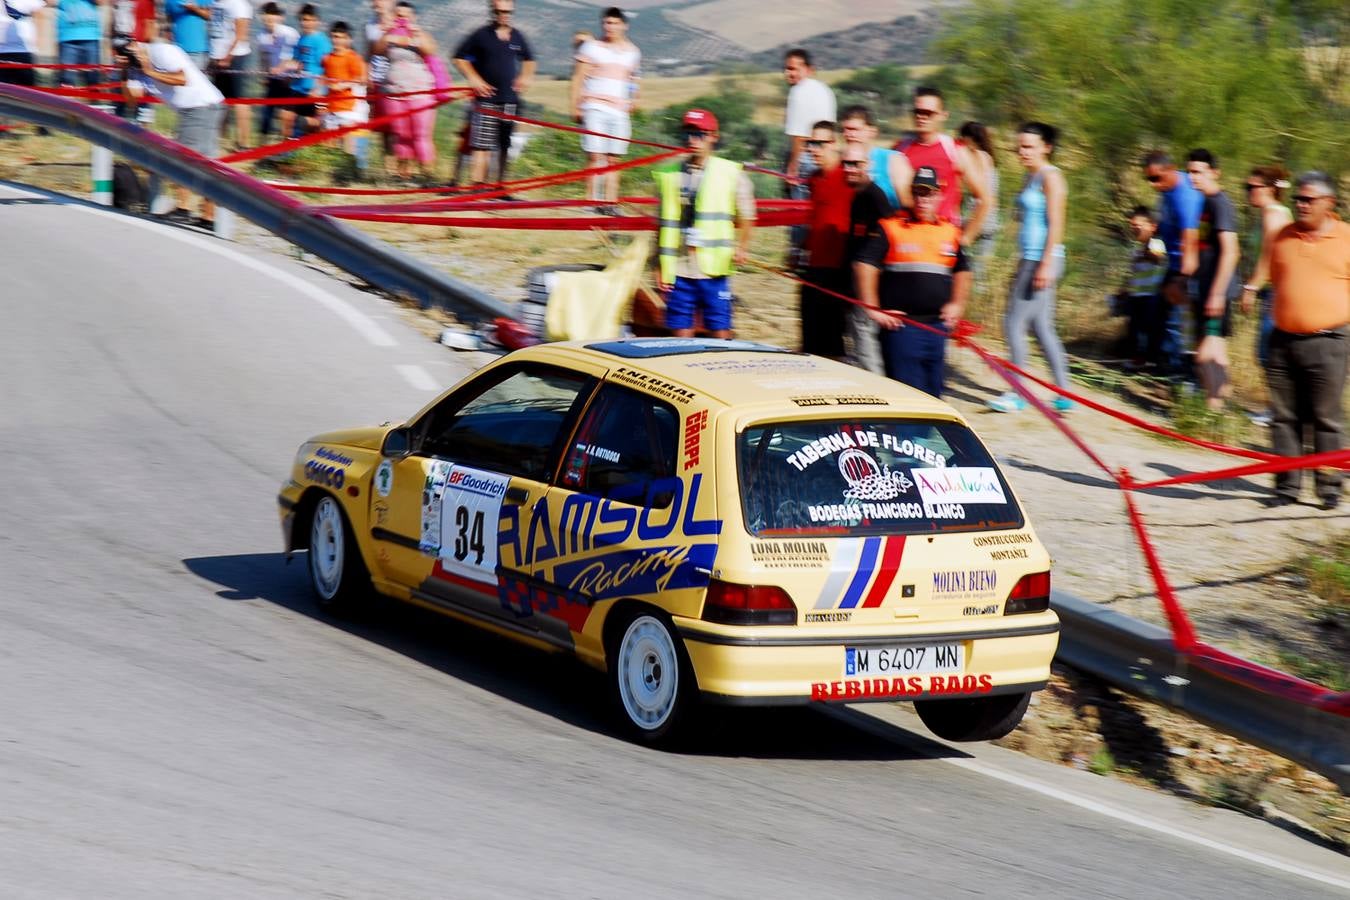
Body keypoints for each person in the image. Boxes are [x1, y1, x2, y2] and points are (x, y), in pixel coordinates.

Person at [1261, 172, 1349, 509]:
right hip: (1283, 341)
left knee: (1326, 417)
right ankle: (1286, 485)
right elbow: (1279, 280)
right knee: (1284, 417)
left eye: (1309, 199)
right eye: (1298, 198)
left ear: (1329, 203)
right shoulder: (1283, 236)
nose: (1300, 204)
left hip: (1328, 342)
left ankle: (1329, 486)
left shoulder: (1346, 237)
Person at [853, 165, 970, 398]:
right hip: (902, 328)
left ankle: (926, 435)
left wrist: (957, 303)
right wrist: (872, 308)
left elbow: (963, 270)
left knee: (934, 393)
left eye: (928, 193)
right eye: (917, 192)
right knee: (907, 394)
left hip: (937, 328)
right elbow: (864, 264)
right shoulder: (891, 227)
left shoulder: (949, 231)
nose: (922, 199)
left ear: (938, 195)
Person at [988, 122, 1072, 413]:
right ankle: (1064, 392)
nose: (1021, 151)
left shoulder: (1051, 178)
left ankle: (1017, 392)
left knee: (1013, 322)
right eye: (1019, 146)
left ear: (1046, 147)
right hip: (1031, 256)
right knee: (1041, 326)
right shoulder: (1030, 177)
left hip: (1043, 258)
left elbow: (1057, 223)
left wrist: (1046, 263)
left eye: (1028, 146)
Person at [653, 108, 755, 339]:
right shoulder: (668, 174)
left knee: (720, 329)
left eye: (699, 134)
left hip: (713, 268)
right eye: (687, 133)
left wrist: (743, 247)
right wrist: (657, 263)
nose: (692, 140)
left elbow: (747, 215)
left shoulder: (731, 173)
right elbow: (661, 223)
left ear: (713, 136)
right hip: (678, 267)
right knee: (680, 332)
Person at [118, 29, 224, 226]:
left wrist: (150, 71)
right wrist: (124, 73)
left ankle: (184, 208)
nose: (128, 58)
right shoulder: (134, 67)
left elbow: (182, 79)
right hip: (200, 107)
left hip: (200, 105)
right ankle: (209, 217)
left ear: (135, 45)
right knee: (207, 164)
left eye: (128, 53)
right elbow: (132, 100)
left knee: (181, 160)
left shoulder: (163, 51)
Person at [454, 0, 535, 186]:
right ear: (492, 11)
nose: (504, 15)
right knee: (481, 145)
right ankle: (478, 185)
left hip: (510, 100)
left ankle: (500, 188)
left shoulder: (517, 36)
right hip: (486, 99)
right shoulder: (481, 35)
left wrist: (526, 76)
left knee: (504, 145)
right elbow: (459, 58)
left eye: (508, 12)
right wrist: (474, 79)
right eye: (499, 11)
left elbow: (529, 59)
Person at [896, 86, 990, 245]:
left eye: (928, 113)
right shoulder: (900, 149)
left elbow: (985, 199)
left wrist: (966, 238)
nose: (922, 117)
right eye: (918, 112)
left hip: (943, 240)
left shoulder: (955, 150)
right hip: (907, 238)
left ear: (943, 115)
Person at [1185, 149, 1241, 410]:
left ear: (1214, 173)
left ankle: (1212, 414)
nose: (1192, 177)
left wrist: (1217, 293)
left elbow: (1231, 251)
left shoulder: (1220, 203)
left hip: (1217, 293)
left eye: (1197, 172)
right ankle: (1222, 414)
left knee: (1206, 356)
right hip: (1207, 289)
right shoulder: (1205, 202)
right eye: (1189, 171)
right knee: (1216, 355)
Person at [570, 7, 639, 215]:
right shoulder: (591, 48)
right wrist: (574, 105)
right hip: (594, 106)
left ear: (624, 26)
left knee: (614, 158)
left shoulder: (633, 52)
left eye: (615, 23)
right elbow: (578, 78)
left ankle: (610, 203)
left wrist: (634, 98)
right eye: (607, 23)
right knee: (595, 155)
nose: (610, 27)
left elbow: (634, 79)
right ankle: (591, 202)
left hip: (619, 110)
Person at [1142, 149, 1204, 377]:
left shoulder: (1185, 195)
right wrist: (1155, 249)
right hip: (1173, 262)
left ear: (1169, 169)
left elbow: (1190, 240)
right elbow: (1162, 227)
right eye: (1149, 179)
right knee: (1158, 314)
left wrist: (1182, 278)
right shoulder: (1166, 191)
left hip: (1187, 268)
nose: (1153, 184)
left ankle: (1181, 369)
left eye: (1156, 178)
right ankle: (1162, 364)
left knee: (1179, 321)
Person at [798, 121, 851, 359]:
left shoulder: (849, 177)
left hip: (839, 271)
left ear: (834, 143)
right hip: (813, 267)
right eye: (810, 143)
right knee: (810, 338)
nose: (813, 149)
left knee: (833, 341)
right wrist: (800, 247)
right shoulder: (813, 179)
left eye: (819, 143)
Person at [841, 140, 893, 374]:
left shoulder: (874, 198)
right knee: (859, 336)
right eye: (845, 163)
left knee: (864, 336)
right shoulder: (859, 196)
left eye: (855, 163)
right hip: (856, 282)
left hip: (870, 284)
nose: (849, 168)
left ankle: (877, 388)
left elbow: (887, 241)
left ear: (867, 165)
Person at [782, 48, 835, 268]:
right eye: (787, 68)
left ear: (807, 69)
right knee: (819, 206)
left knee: (799, 209)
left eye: (794, 68)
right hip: (826, 155)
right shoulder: (824, 90)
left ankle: (798, 256)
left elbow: (799, 134)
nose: (789, 73)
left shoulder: (799, 91)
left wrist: (792, 167)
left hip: (806, 156)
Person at [1241, 165, 1294, 380]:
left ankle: (1279, 409)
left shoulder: (1273, 214)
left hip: (1278, 292)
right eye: (1247, 186)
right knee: (1269, 351)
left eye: (1252, 186)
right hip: (1274, 291)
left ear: (1270, 189)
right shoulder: (1270, 213)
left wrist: (1251, 287)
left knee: (1268, 352)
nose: (1248, 191)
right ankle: (1278, 407)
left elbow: (1269, 255)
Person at [374, 1, 436, 180]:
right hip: (394, 92)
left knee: (421, 134)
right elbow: (376, 52)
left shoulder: (419, 34)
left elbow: (430, 50)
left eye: (406, 14)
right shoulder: (388, 35)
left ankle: (427, 175)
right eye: (399, 14)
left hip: (420, 91)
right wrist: (387, 33)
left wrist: (414, 34)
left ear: (413, 16)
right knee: (401, 134)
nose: (402, 17)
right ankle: (404, 175)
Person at [1116, 205, 1167, 369]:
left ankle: (1149, 360)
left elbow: (1158, 258)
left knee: (1146, 329)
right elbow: (1133, 274)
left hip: (1150, 295)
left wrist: (1146, 251)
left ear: (1152, 226)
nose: (1135, 229)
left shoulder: (1156, 243)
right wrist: (1125, 289)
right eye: (1132, 226)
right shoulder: (1137, 249)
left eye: (1138, 226)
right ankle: (1137, 358)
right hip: (1136, 295)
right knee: (1134, 328)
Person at [838, 104, 912, 211]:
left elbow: (908, 205)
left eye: (855, 129)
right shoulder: (840, 162)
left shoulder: (893, 160)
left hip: (887, 223)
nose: (850, 134)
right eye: (846, 129)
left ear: (872, 132)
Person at [958, 120, 999, 289]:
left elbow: (976, 191)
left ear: (968, 138)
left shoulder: (974, 156)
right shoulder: (989, 158)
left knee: (963, 266)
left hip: (974, 218)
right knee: (981, 271)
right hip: (990, 220)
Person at [279, 4, 329, 137]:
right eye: (304, 19)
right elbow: (297, 62)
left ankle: (307, 153)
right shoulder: (301, 39)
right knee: (286, 116)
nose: (306, 23)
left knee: (312, 127)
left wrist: (319, 88)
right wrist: (286, 72)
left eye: (310, 20)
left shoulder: (322, 41)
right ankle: (285, 150)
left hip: (313, 91)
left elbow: (327, 67)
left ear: (317, 21)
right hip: (297, 88)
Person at [209, 0, 252, 148]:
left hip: (235, 57)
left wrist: (228, 56)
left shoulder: (238, 4)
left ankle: (244, 142)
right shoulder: (216, 3)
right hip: (217, 57)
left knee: (239, 100)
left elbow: (241, 34)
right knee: (220, 100)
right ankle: (219, 138)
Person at [254, 2, 298, 140]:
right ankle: (262, 144)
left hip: (289, 79)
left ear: (279, 18)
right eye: (266, 20)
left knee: (286, 114)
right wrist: (264, 74)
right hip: (273, 79)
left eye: (272, 20)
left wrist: (283, 69)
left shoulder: (290, 33)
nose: (269, 23)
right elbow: (263, 56)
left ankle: (285, 144)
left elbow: (295, 56)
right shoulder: (261, 35)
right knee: (267, 112)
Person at [320, 21, 367, 149]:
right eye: (334, 37)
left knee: (348, 147)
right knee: (328, 146)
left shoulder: (353, 58)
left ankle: (350, 168)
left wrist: (341, 85)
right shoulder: (327, 58)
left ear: (348, 39)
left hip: (348, 108)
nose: (337, 41)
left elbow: (360, 79)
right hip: (331, 107)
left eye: (341, 37)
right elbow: (324, 77)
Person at [50, 0, 103, 89]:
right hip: (67, 37)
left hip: (90, 36)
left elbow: (101, 1)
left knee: (93, 81)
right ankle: (65, 102)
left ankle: (93, 102)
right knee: (66, 81)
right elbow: (50, 2)